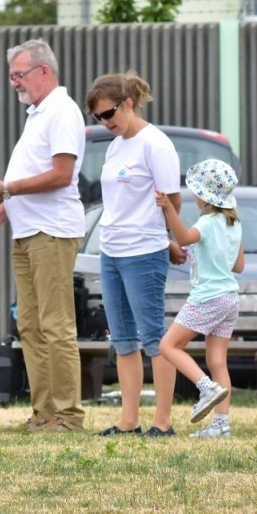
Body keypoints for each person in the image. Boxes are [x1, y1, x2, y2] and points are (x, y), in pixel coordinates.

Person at [0, 39, 87, 434]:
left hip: (52, 232)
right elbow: (35, 173)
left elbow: (61, 174)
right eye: (11, 76)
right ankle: (43, 415)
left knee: (56, 325)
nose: (14, 83)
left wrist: (4, 190)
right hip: (28, 230)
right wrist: (2, 212)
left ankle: (68, 417)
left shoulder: (62, 111)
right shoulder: (37, 113)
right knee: (31, 327)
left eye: (18, 75)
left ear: (44, 71)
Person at [85, 71, 186, 437]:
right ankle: (129, 421)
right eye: (98, 117)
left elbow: (170, 200)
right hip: (111, 251)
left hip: (143, 251)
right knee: (123, 339)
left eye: (109, 113)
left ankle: (162, 422)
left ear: (128, 104)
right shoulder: (115, 146)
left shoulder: (155, 144)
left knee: (155, 338)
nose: (105, 122)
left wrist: (167, 239)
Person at [156, 159, 244, 439]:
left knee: (168, 346)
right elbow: (239, 265)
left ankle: (206, 388)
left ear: (202, 196)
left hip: (208, 296)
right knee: (217, 359)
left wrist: (169, 208)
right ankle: (221, 426)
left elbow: (184, 236)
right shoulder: (234, 224)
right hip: (230, 297)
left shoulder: (207, 222)